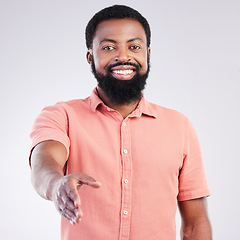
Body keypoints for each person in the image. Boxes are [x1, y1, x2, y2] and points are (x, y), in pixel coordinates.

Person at [29, 4, 212, 240]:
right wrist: (55, 185)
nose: (123, 56)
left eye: (134, 46)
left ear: (148, 54)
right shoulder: (62, 115)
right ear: (90, 56)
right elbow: (44, 163)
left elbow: (195, 225)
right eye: (108, 47)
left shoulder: (180, 126)